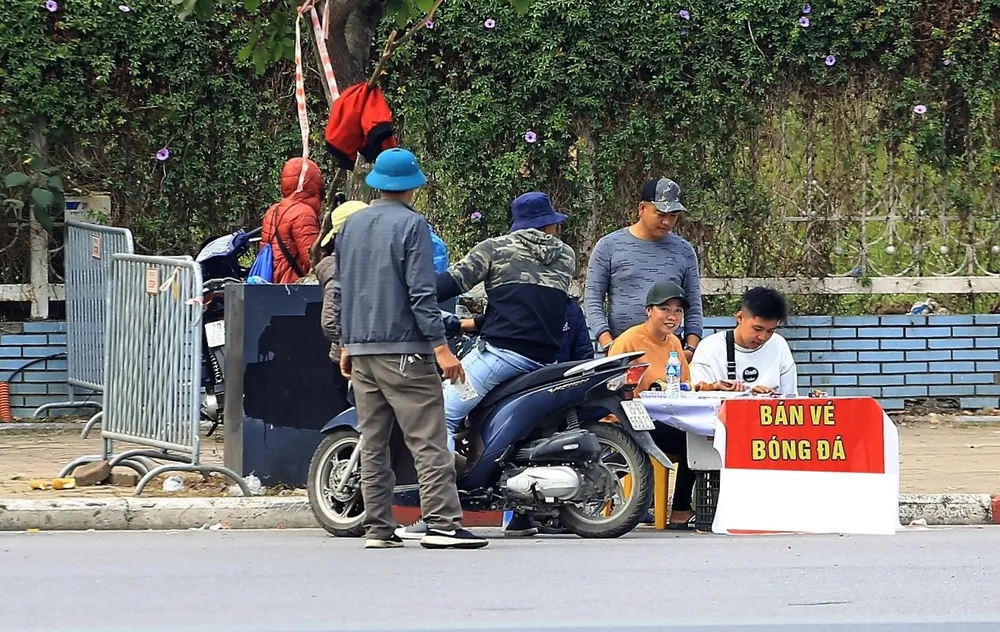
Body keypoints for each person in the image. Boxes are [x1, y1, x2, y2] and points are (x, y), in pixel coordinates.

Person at [396, 191, 575, 541]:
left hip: (501, 355)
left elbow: (449, 283)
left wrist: (410, 290)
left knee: (441, 416)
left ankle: (439, 511)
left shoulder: (495, 248)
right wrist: (476, 320)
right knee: (524, 431)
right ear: (551, 224)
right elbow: (527, 309)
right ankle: (522, 516)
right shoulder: (566, 256)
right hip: (545, 359)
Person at [334, 148, 487, 550]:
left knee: (374, 441)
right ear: (413, 187)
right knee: (429, 439)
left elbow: (343, 288)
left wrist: (346, 342)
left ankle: (378, 528)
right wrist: (441, 347)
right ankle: (442, 524)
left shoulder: (351, 225)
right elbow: (422, 293)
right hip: (405, 349)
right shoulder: (413, 226)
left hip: (362, 349)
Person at [608, 280, 700, 529]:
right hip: (627, 421)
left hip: (662, 419)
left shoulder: (674, 344)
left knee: (700, 437)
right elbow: (612, 390)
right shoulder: (629, 341)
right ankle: (678, 508)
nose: (672, 316)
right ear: (649, 310)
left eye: (678, 311)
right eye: (665, 309)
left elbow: (683, 386)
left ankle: (680, 508)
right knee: (691, 440)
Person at [585, 177, 703, 361]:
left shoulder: (684, 251)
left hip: (669, 353)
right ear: (642, 208)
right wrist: (609, 344)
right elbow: (593, 299)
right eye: (660, 214)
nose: (666, 222)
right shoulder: (609, 246)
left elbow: (694, 305)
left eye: (673, 215)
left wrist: (689, 349)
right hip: (622, 350)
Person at [691, 286, 799, 396]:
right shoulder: (708, 348)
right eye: (757, 329)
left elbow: (791, 400)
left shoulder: (779, 345)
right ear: (740, 317)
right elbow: (697, 399)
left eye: (770, 331)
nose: (762, 337)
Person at [462, 295, 594, 363]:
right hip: (524, 384)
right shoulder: (518, 306)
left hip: (562, 385)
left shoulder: (571, 310)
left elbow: (584, 356)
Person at [316, 200, 368, 365]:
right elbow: (330, 322)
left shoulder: (354, 263)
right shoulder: (338, 270)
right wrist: (362, 342)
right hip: (350, 360)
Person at [261, 157, 323, 284]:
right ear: (313, 183)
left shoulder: (273, 211)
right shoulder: (303, 213)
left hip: (270, 283)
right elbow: (313, 261)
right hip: (293, 288)